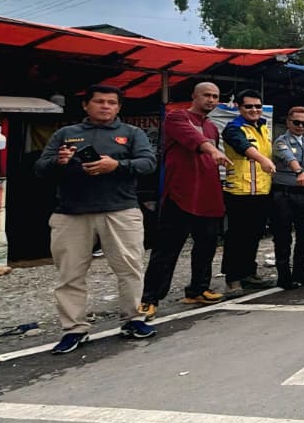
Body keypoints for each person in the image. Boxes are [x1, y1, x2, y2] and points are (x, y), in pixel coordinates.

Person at [35, 86, 158, 353]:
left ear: (118, 107)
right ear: (85, 105)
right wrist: (59, 161)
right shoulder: (66, 134)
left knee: (130, 268)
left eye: (112, 102)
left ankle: (133, 319)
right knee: (70, 274)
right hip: (71, 213)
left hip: (120, 210)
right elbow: (40, 168)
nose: (105, 106)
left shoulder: (132, 133)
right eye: (99, 101)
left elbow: (149, 163)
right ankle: (74, 329)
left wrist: (116, 165)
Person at [141, 81, 231, 316]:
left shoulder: (211, 127)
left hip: (209, 195)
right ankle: (150, 298)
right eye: (206, 95)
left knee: (206, 246)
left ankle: (198, 290)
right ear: (194, 96)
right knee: (167, 249)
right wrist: (213, 150)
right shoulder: (177, 118)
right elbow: (193, 139)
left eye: (215, 96)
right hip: (180, 195)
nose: (211, 100)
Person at [220, 89, 276, 295]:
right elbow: (243, 147)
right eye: (249, 106)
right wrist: (263, 160)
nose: (254, 110)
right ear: (239, 107)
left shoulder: (262, 128)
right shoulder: (233, 128)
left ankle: (248, 273)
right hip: (240, 191)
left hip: (261, 190)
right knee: (237, 236)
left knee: (254, 234)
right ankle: (232, 279)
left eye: (258, 106)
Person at [271, 105, 304, 289]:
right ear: (288, 122)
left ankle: (299, 270)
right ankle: (284, 275)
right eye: (296, 122)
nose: (300, 126)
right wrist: (299, 172)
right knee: (283, 235)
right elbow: (290, 158)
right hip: (284, 194)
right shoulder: (281, 141)